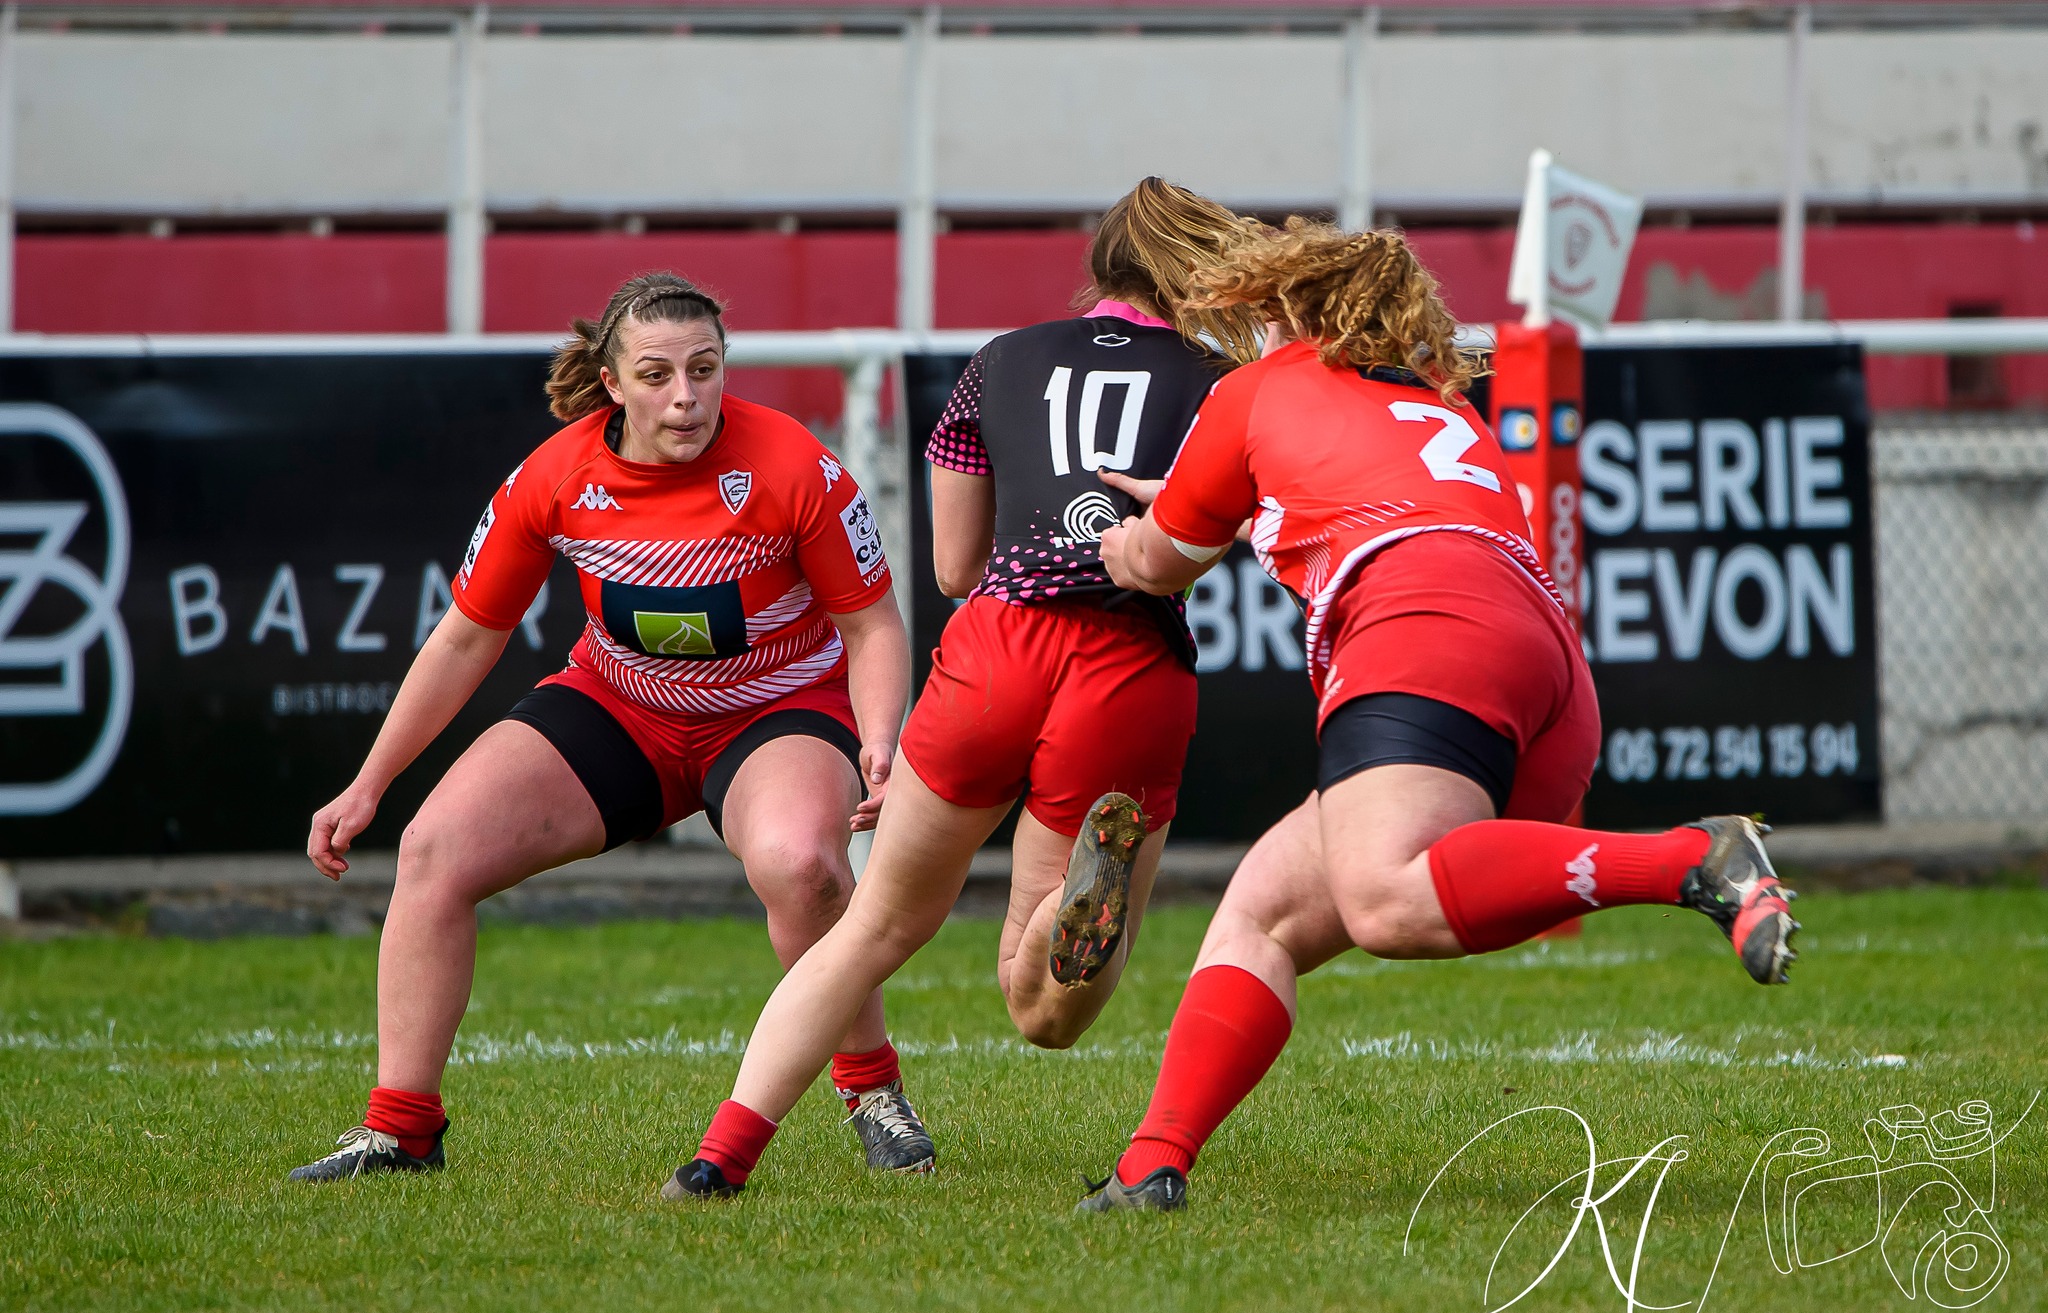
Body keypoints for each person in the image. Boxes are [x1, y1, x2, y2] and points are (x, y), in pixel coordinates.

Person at [1077, 220, 1802, 1213]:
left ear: (1289, 306)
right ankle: (1148, 1168)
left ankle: (1688, 855)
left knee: (1381, 899)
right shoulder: (1435, 400)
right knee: (1263, 915)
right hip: (1544, 669)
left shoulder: (1258, 387)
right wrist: (1231, 511)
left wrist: (1123, 544)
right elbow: (1358, 493)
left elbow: (1162, 560)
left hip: (1423, 625)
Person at [662, 178, 1269, 1199]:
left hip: (996, 648)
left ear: (1100, 269)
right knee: (1043, 1011)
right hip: (1130, 662)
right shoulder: (1223, 383)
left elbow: (951, 566)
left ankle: (719, 1157)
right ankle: (1080, 895)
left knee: (871, 930)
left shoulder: (1000, 360)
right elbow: (1240, 532)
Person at [289, 271, 935, 1185]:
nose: (685, 397)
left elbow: (872, 626)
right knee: (432, 849)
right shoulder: (555, 475)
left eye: (704, 369)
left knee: (803, 867)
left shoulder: (795, 464)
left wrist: (878, 741)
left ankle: (872, 1091)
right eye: (658, 375)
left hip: (775, 711)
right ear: (612, 383)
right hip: (620, 705)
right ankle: (401, 1132)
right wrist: (369, 783)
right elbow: (467, 636)